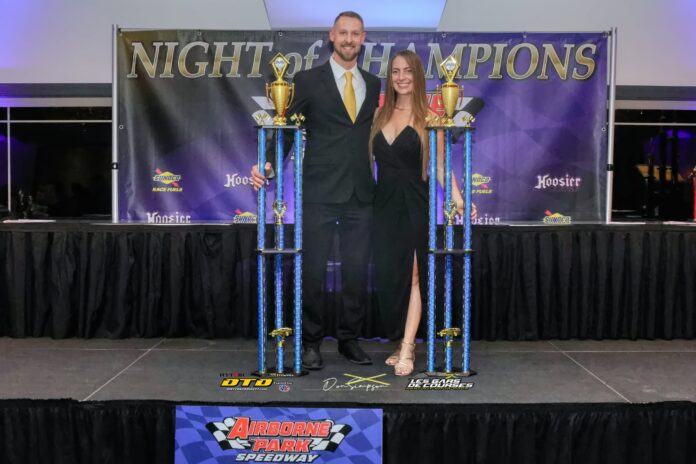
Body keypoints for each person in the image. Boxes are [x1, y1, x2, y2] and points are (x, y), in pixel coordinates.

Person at [251, 11, 381, 370]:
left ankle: (349, 340)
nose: (349, 39)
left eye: (355, 33)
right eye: (343, 33)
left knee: (356, 273)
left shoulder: (374, 83)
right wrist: (269, 163)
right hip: (319, 193)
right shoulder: (307, 80)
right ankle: (310, 342)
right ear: (332, 36)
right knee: (312, 273)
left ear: (363, 38)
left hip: (361, 194)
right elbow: (287, 127)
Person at [369, 50, 465, 376]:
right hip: (383, 208)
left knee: (413, 276)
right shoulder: (379, 116)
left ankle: (409, 346)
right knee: (390, 278)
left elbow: (438, 166)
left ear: (418, 75)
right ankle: (399, 340)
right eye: (395, 71)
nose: (401, 77)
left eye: (407, 71)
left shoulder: (429, 118)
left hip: (415, 203)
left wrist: (456, 196)